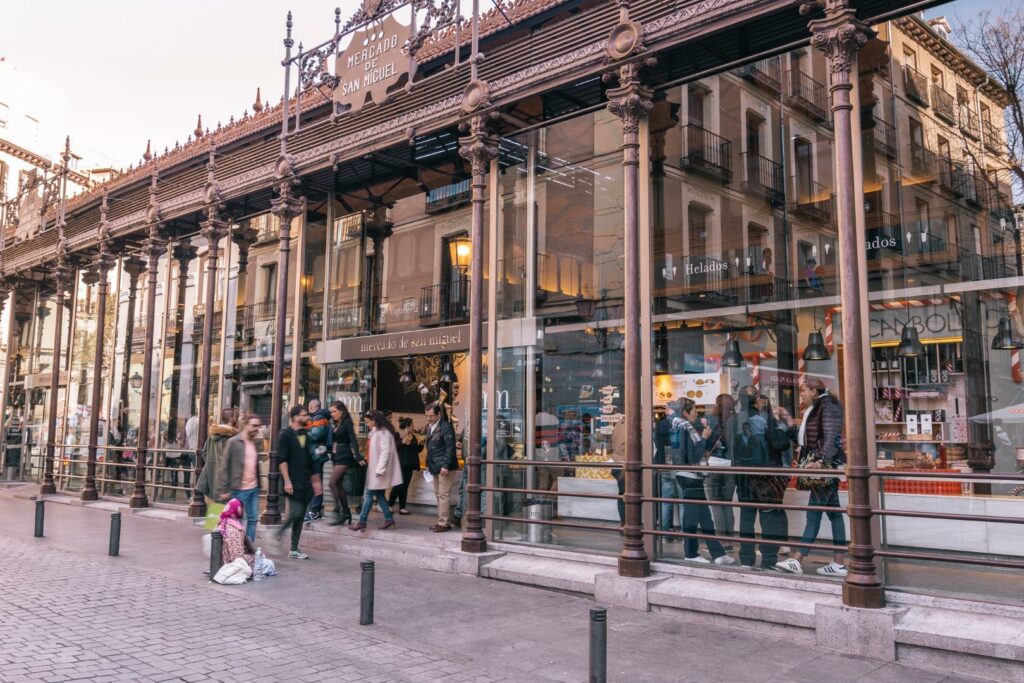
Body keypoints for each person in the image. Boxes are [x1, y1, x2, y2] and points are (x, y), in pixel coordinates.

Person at [776, 379, 847, 577]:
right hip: (822, 466)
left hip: (822, 468)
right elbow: (804, 438)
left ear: (815, 391)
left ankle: (798, 559)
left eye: (804, 391)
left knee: (813, 512)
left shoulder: (827, 407)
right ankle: (839, 563)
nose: (802, 395)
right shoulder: (819, 407)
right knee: (834, 514)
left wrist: (821, 461)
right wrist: (790, 420)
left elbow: (832, 435)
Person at [733, 391, 787, 570]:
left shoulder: (734, 421)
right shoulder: (765, 421)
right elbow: (780, 444)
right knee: (769, 517)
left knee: (747, 518)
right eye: (760, 398)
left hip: (743, 477)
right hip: (765, 476)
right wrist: (786, 427)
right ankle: (768, 560)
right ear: (757, 401)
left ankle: (746, 560)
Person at [676, 399, 734, 564]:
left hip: (692, 476)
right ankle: (691, 553)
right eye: (693, 410)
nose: (696, 413)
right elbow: (694, 455)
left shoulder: (683, 428)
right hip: (689, 477)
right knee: (691, 517)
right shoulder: (684, 429)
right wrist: (704, 439)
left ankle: (717, 554)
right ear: (685, 413)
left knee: (705, 516)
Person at [349, 410, 402, 531]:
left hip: (378, 471)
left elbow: (385, 452)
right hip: (375, 469)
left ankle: (362, 521)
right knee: (379, 495)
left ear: (375, 421)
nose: (366, 424)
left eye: (368, 422)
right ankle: (389, 519)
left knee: (369, 494)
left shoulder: (383, 433)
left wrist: (379, 470)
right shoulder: (377, 432)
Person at [275, 405, 314, 559]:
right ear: (295, 417)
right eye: (304, 415)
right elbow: (282, 460)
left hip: (305, 481)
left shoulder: (306, 435)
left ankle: (294, 548)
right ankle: (276, 534)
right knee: (296, 511)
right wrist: (287, 481)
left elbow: (309, 460)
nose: (308, 418)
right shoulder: (285, 435)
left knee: (300, 515)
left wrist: (315, 481)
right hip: (292, 481)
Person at [219, 414, 263, 542]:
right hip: (238, 489)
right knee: (237, 521)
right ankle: (236, 548)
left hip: (253, 488)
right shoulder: (233, 442)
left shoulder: (254, 443)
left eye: (258, 426)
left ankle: (248, 549)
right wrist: (223, 489)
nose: (257, 429)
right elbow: (224, 466)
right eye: (254, 426)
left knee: (253, 519)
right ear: (246, 425)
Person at [703, 393, 737, 551]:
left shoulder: (710, 419)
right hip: (731, 465)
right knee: (727, 504)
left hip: (714, 464)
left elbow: (707, 443)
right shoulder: (735, 420)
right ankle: (729, 541)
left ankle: (721, 541)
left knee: (716, 504)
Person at [424, 402, 458, 532]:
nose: (429, 418)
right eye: (427, 416)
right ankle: (443, 521)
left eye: (431, 416)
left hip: (444, 466)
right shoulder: (430, 427)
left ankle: (443, 523)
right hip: (435, 466)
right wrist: (428, 465)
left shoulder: (446, 427)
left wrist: (446, 465)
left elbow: (450, 448)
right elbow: (430, 448)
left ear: (439, 414)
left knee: (443, 494)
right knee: (438, 494)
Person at [327, 401, 361, 526]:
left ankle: (340, 511)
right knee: (339, 486)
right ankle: (346, 514)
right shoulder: (336, 423)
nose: (332, 414)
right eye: (331, 411)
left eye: (334, 411)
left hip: (345, 455)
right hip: (337, 456)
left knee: (332, 483)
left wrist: (357, 455)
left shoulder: (347, 423)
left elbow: (353, 439)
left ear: (342, 411)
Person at [196, 409, 239, 507]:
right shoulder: (232, 436)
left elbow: (204, 452)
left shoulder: (213, 434)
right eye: (235, 417)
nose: (236, 419)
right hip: (227, 479)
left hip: (213, 476)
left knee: (216, 508)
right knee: (228, 510)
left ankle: (214, 521)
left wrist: (211, 465)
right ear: (231, 419)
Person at [656, 402, 684, 540]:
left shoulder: (661, 424)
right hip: (680, 466)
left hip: (664, 464)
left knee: (666, 502)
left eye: (666, 407)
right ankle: (686, 537)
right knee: (684, 502)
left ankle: (664, 534)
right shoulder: (682, 423)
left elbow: (657, 443)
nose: (665, 409)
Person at [304, 398, 333, 522]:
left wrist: (302, 432)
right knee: (315, 482)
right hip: (316, 453)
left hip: (316, 454)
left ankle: (314, 510)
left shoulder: (318, 417)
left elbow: (316, 435)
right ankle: (315, 509)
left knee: (316, 483)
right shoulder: (318, 417)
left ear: (311, 407)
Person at [388, 417, 422, 515]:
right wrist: (403, 441)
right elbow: (393, 446)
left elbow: (415, 450)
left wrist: (420, 446)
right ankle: (390, 504)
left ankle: (402, 507)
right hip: (400, 464)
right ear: (408, 426)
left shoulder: (413, 436)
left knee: (405, 486)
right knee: (399, 485)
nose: (414, 427)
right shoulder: (397, 435)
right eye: (412, 425)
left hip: (410, 464)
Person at [217, 498, 255, 569]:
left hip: (226, 560)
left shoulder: (223, 522)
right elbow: (237, 555)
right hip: (234, 562)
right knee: (262, 561)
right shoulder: (235, 529)